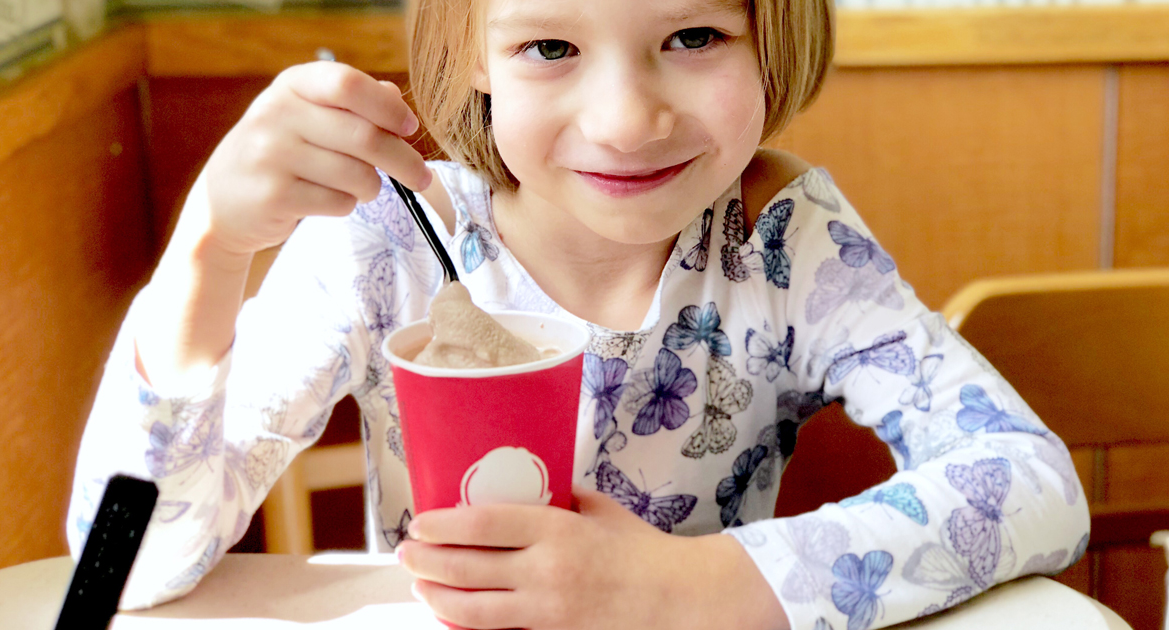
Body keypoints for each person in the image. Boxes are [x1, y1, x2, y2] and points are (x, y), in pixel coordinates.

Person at [67, 0, 1090, 627]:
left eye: (693, 35)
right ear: (470, 47)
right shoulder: (387, 238)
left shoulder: (787, 246)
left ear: (770, 34)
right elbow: (119, 568)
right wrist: (210, 249)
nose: (625, 119)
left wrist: (689, 594)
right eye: (551, 45)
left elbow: (1037, 485)